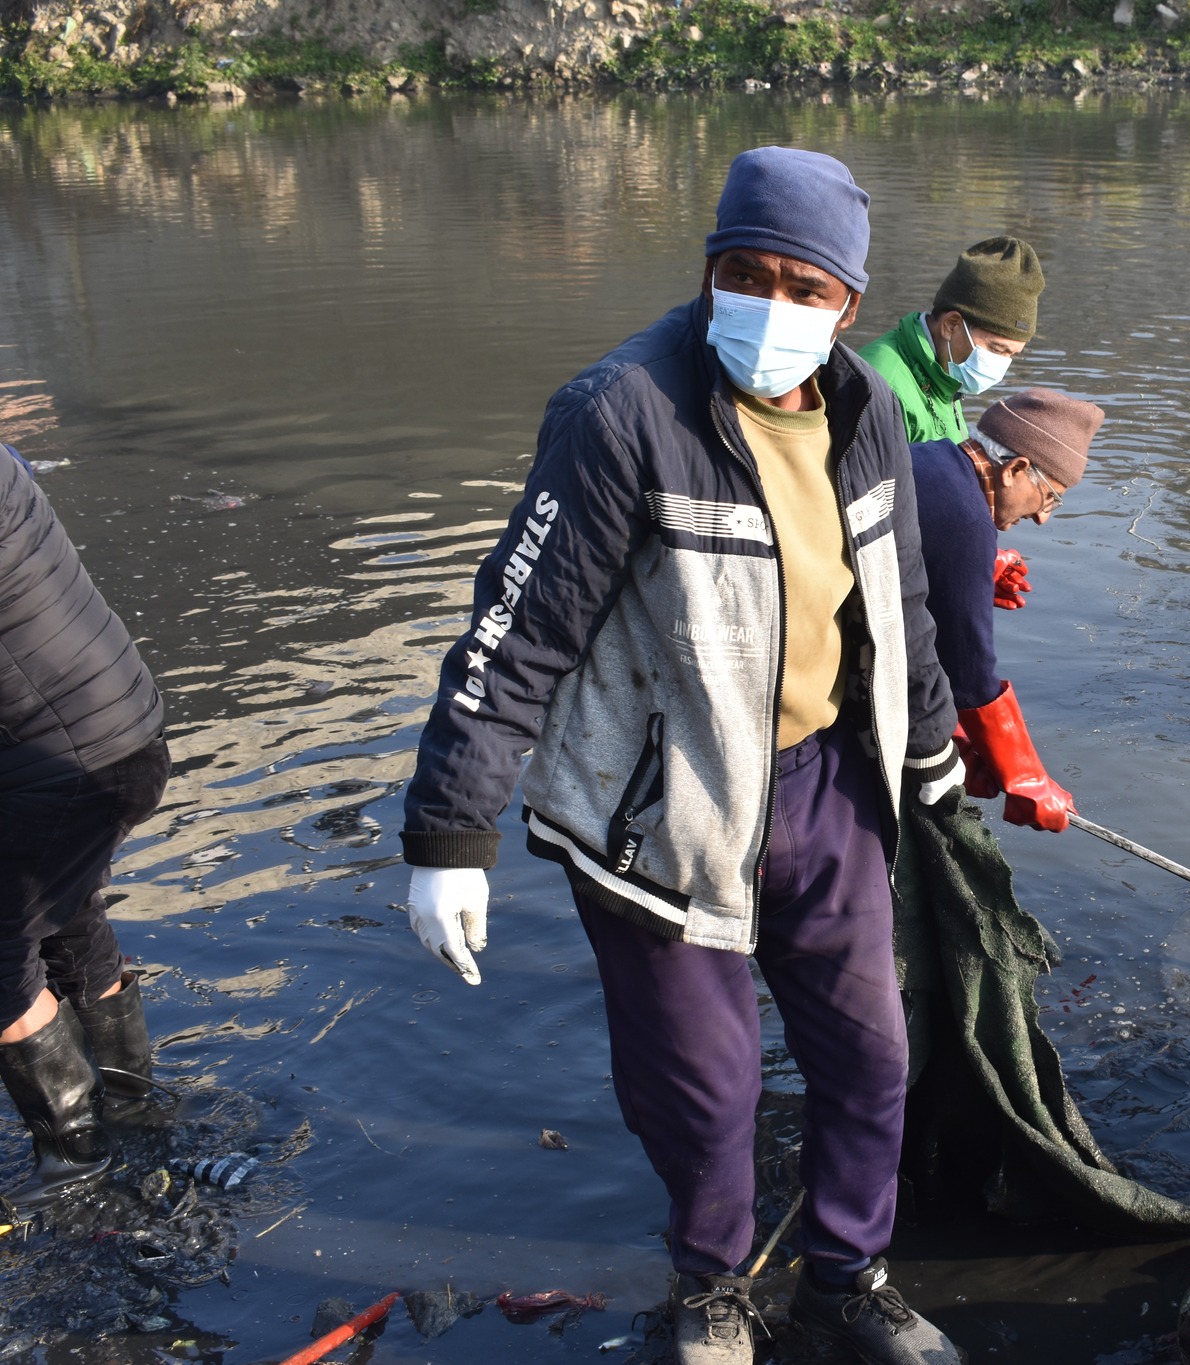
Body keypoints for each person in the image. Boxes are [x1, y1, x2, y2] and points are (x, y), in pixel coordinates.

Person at [397, 147, 966, 1365]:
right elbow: (515, 632)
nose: (771, 305)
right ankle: (709, 1287)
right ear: (707, 273)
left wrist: (930, 751)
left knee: (871, 1060)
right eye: (742, 275)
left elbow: (899, 602)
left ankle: (846, 1277)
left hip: (829, 788)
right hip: (668, 806)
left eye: (802, 287)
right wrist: (452, 836)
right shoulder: (622, 415)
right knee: (705, 1094)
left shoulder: (865, 414)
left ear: (847, 305)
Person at [0, 444, 170, 1213]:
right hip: (120, 732)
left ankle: (76, 1161)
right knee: (66, 910)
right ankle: (133, 1108)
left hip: (63, 756)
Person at [908, 389, 1101, 835]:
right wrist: (1027, 779)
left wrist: (973, 570)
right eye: (1050, 496)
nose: (1043, 518)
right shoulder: (967, 521)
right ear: (1015, 469)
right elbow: (971, 674)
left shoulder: (933, 457)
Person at [860, 236, 1043, 446]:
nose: (1000, 365)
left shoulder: (943, 375)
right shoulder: (881, 385)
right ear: (951, 325)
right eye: (995, 348)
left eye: (1011, 354)